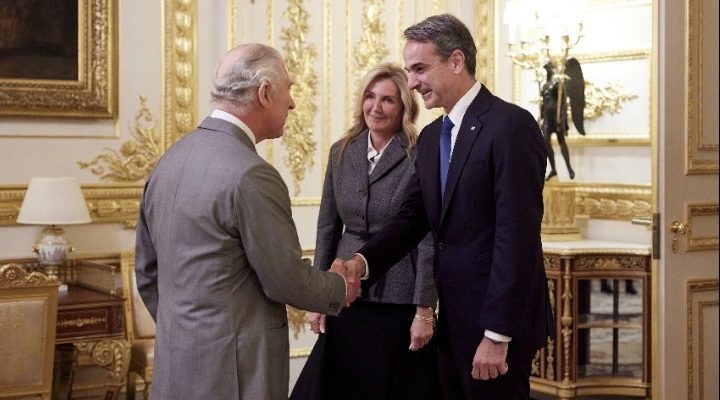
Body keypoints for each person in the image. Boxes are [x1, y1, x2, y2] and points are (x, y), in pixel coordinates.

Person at [339, 14, 555, 399]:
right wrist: (361, 262)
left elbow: (517, 238)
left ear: (456, 61)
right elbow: (411, 218)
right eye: (409, 71)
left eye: (420, 69)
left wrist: (497, 334)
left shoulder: (510, 126)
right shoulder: (432, 136)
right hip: (452, 321)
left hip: (495, 325)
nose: (412, 82)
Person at [134, 43, 359, 400]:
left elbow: (147, 272)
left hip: (175, 364)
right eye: (289, 89)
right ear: (265, 93)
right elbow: (285, 280)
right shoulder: (252, 174)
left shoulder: (169, 160)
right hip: (234, 375)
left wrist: (192, 335)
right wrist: (339, 287)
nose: (292, 103)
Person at [291, 63, 439, 400]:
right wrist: (319, 296)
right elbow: (327, 228)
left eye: (388, 100)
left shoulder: (420, 153)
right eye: (370, 97)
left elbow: (427, 238)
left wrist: (424, 309)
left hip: (399, 299)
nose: (376, 107)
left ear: (404, 107)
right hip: (346, 293)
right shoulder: (341, 151)